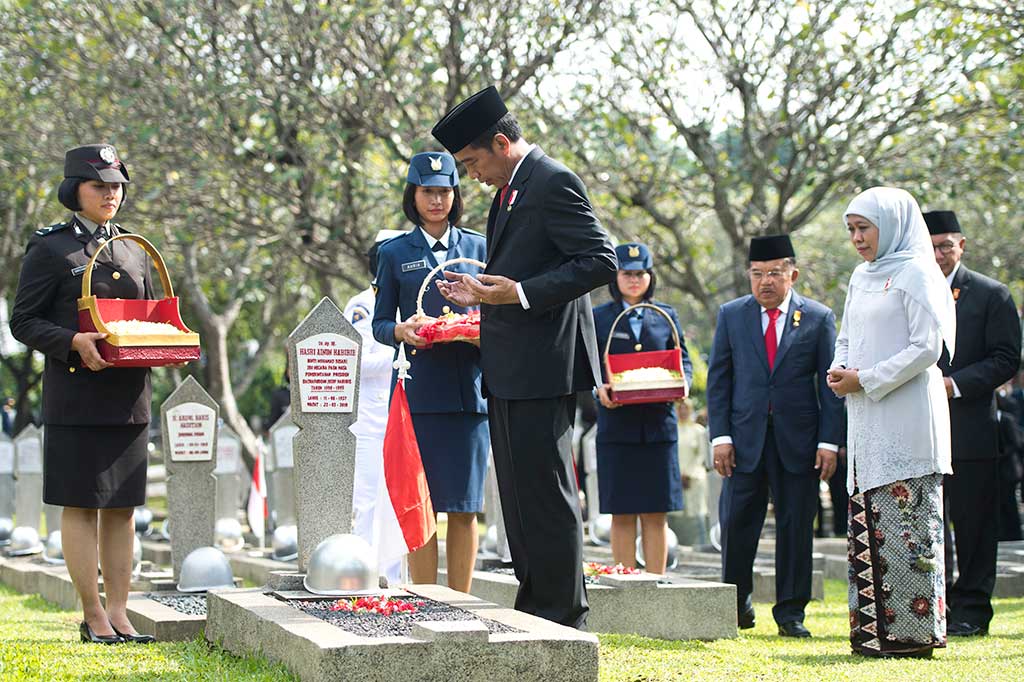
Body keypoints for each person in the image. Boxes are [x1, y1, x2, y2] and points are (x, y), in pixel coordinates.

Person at [431, 85, 617, 628]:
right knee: (518, 494)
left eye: (472, 162)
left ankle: (565, 611)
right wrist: (482, 292)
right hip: (511, 363)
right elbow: (521, 269)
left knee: (547, 492)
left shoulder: (552, 180)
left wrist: (516, 293)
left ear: (500, 142)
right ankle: (536, 602)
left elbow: (599, 260)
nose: (472, 175)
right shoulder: (511, 190)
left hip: (545, 362)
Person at [9, 144, 158, 644]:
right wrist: (71, 342)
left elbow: (151, 317)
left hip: (129, 397)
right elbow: (23, 321)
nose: (110, 194)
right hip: (76, 396)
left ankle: (120, 611)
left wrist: (167, 343)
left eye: (116, 185)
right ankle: (92, 613)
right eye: (100, 185)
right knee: (81, 504)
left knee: (122, 507)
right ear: (76, 190)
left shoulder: (136, 249)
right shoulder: (51, 249)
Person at [828, 186, 956, 658]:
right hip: (865, 418)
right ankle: (873, 633)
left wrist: (867, 378)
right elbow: (846, 336)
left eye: (864, 228)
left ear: (893, 224)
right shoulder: (862, 276)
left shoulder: (917, 273)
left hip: (906, 416)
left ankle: (915, 635)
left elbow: (927, 349)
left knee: (909, 523)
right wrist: (842, 371)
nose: (857, 239)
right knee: (869, 515)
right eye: (851, 230)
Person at [707, 234, 842, 638]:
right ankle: (736, 603)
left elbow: (830, 385)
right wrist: (720, 438)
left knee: (796, 525)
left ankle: (790, 612)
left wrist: (829, 442)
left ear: (792, 274)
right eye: (757, 274)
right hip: (743, 440)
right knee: (736, 523)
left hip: (798, 442)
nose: (765, 281)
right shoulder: (732, 315)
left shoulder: (817, 318)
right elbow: (719, 380)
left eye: (775, 273)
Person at [371, 152, 488, 593]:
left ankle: (460, 601)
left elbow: (500, 314)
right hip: (418, 396)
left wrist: (482, 333)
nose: (436, 200)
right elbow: (380, 323)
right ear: (413, 196)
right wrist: (401, 329)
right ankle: (426, 600)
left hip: (470, 392)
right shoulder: (394, 252)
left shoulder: (479, 247)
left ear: (455, 195)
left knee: (465, 505)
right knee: (420, 502)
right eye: (428, 192)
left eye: (444, 191)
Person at [925, 209, 1021, 636]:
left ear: (961, 246)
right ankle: (931, 603)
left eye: (947, 245)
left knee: (974, 525)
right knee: (926, 525)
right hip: (920, 431)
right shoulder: (912, 290)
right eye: (931, 247)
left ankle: (973, 610)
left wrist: (955, 385)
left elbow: (1006, 359)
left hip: (971, 429)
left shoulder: (990, 293)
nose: (940, 254)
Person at [593, 242, 692, 573]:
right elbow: (588, 364)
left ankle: (655, 582)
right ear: (615, 277)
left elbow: (684, 360)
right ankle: (624, 582)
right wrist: (598, 389)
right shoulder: (599, 317)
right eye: (626, 274)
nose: (633, 280)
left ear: (650, 276)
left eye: (640, 274)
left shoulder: (666, 315)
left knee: (655, 511)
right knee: (621, 511)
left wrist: (684, 384)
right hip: (616, 426)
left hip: (658, 426)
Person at [345, 228, 406, 583]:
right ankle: (363, 573)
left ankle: (397, 576)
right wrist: (400, 352)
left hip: (402, 412)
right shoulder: (361, 305)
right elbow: (357, 361)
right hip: (370, 417)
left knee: (399, 498)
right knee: (366, 499)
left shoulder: (408, 300)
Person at [674, 398, 711, 546]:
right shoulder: (673, 429)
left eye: (685, 408)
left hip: (695, 476)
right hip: (676, 475)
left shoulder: (698, 430)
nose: (683, 412)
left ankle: (701, 542)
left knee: (698, 510)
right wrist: (679, 473)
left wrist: (688, 473)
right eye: (680, 408)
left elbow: (702, 455)